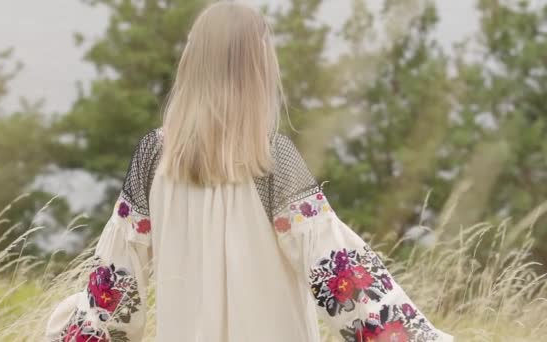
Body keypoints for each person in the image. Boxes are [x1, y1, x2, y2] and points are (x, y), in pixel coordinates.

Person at [45, 2, 453, 341]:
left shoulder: (156, 157)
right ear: (257, 69)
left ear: (193, 62)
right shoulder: (272, 158)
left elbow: (115, 289)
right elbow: (341, 275)